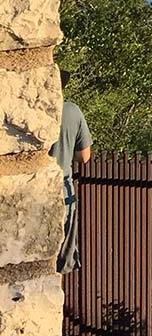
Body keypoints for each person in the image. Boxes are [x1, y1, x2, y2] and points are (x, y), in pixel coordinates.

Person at [52, 72, 92, 274]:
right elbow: (84, 156)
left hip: (31, 190)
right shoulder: (72, 111)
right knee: (60, 257)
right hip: (63, 190)